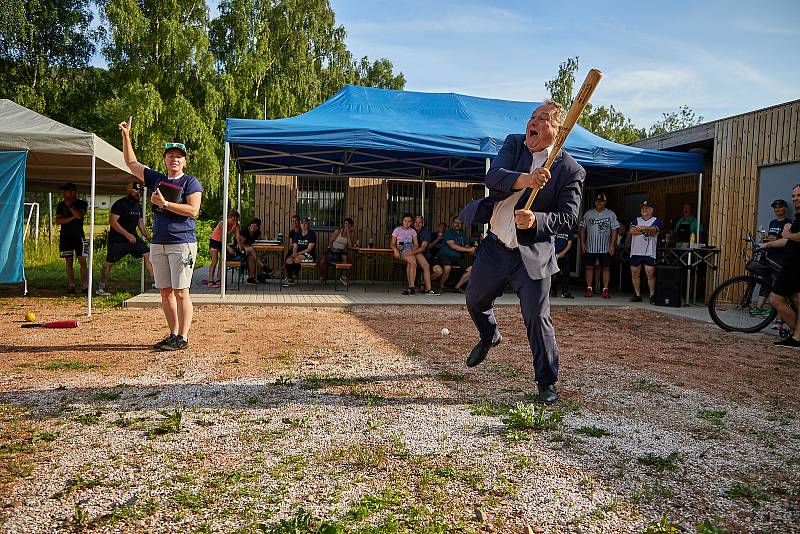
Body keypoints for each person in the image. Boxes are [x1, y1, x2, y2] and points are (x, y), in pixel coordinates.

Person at [459, 100, 584, 404]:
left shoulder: (570, 170)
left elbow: (569, 218)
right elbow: (494, 177)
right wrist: (527, 179)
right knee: (475, 300)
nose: (534, 122)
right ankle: (490, 336)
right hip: (496, 245)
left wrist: (537, 219)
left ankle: (546, 382)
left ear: (558, 131)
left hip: (533, 253)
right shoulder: (514, 144)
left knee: (537, 318)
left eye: (543, 119)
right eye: (533, 117)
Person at [119, 118, 203, 351]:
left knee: (181, 291)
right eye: (170, 155)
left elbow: (193, 210)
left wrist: (165, 204)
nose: (174, 159)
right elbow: (131, 162)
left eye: (178, 156)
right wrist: (126, 136)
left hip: (182, 243)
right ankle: (173, 334)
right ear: (165, 159)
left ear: (184, 161)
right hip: (159, 243)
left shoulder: (190, 182)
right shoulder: (157, 178)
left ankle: (183, 338)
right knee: (165, 291)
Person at [96, 180, 154, 296]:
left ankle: (155, 283)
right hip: (118, 240)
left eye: (139, 191)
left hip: (133, 239)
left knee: (148, 254)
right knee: (108, 263)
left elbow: (140, 223)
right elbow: (112, 221)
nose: (138, 193)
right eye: (135, 190)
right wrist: (127, 234)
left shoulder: (138, 206)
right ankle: (101, 288)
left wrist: (148, 237)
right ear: (129, 190)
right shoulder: (120, 204)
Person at [766, 184, 800, 348]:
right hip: (791, 262)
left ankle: (797, 334)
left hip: (794, 265)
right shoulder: (798, 217)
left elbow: (789, 237)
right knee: (796, 299)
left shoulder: (790, 222)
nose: (795, 199)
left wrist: (788, 233)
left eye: (798, 196)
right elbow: (788, 240)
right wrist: (767, 245)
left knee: (775, 298)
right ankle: (797, 337)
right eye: (793, 196)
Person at [753, 199, 792, 327]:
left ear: (785, 209)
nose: (777, 209)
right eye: (775, 207)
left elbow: (787, 240)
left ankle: (776, 311)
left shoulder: (788, 223)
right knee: (765, 280)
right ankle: (758, 307)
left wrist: (777, 239)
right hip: (769, 254)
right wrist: (766, 240)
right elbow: (771, 236)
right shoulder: (772, 222)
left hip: (780, 257)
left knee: (778, 283)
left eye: (780, 207)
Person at [579, 193, 619, 299]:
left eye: (601, 201)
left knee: (606, 268)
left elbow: (615, 230)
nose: (599, 203)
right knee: (589, 268)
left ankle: (605, 290)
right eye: (597, 201)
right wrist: (582, 243)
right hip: (590, 246)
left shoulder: (610, 214)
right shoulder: (588, 214)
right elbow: (582, 229)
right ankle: (589, 289)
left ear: (605, 202)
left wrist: (612, 245)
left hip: (605, 247)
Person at [55, 182, 89, 294]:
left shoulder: (82, 203)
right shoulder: (60, 205)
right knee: (68, 261)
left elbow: (79, 216)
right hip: (65, 237)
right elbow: (58, 221)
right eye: (64, 191)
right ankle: (71, 285)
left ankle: (85, 286)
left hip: (80, 236)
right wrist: (72, 217)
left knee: (83, 260)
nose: (64, 193)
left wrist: (70, 206)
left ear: (73, 192)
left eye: (66, 191)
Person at [628, 201, 661, 304]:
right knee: (634, 273)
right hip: (636, 251)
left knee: (650, 274)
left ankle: (652, 295)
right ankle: (637, 295)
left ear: (652, 210)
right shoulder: (636, 219)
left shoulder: (656, 220)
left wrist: (642, 228)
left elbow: (654, 231)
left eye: (647, 208)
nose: (644, 210)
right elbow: (632, 231)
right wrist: (647, 230)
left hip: (649, 252)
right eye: (642, 208)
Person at [432, 217, 474, 294]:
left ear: (462, 224)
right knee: (447, 267)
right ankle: (441, 286)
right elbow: (453, 246)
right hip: (445, 255)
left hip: (458, 257)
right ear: (452, 223)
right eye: (455, 222)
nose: (457, 224)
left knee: (471, 269)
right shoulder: (449, 233)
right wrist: (468, 250)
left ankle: (457, 287)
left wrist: (472, 250)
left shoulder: (464, 234)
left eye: (459, 223)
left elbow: (466, 246)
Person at [207, 210, 240, 288]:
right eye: (233, 220)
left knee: (222, 260)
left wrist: (239, 244)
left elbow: (238, 235)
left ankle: (219, 280)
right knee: (215, 260)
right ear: (229, 218)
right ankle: (210, 281)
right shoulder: (222, 223)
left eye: (236, 220)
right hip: (215, 241)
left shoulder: (236, 224)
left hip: (222, 242)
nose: (234, 222)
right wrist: (228, 248)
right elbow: (223, 237)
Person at [391, 213, 422, 295]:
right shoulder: (397, 230)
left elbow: (416, 244)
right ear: (402, 221)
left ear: (411, 222)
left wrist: (412, 251)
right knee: (413, 262)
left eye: (409, 221)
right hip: (401, 247)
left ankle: (410, 287)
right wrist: (395, 250)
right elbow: (392, 243)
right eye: (405, 221)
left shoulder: (413, 231)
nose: (407, 223)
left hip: (410, 247)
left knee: (411, 264)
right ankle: (411, 287)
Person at [319, 217, 354, 283]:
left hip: (340, 251)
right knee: (322, 261)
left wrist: (348, 234)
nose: (347, 226)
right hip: (331, 249)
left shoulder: (351, 234)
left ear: (351, 226)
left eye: (348, 224)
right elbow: (331, 241)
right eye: (345, 224)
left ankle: (343, 276)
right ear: (343, 224)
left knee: (345, 258)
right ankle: (322, 277)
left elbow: (350, 246)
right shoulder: (338, 231)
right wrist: (332, 249)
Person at [283, 218, 316, 285]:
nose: (303, 225)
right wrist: (294, 253)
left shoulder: (312, 234)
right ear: (300, 225)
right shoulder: (297, 234)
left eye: (305, 223)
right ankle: (290, 278)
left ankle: (294, 275)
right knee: (288, 260)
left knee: (297, 259)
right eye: (302, 223)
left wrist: (297, 253)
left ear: (308, 225)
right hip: (298, 254)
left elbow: (309, 249)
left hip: (309, 255)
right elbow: (295, 246)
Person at [412, 215, 435, 293]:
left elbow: (423, 248)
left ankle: (425, 285)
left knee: (437, 270)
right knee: (425, 266)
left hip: (425, 254)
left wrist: (411, 252)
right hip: (412, 253)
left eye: (420, 222)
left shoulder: (426, 232)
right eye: (416, 222)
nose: (417, 224)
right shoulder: (410, 231)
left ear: (423, 223)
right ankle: (428, 288)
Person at [551, 225, 574, 298]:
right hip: (554, 255)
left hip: (565, 255)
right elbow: (550, 242)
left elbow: (569, 244)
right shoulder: (554, 228)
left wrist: (563, 253)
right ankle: (554, 292)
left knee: (566, 274)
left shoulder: (568, 229)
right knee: (554, 275)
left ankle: (564, 292)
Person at [238, 218, 262, 285]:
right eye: (252, 225)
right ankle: (262, 265)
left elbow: (259, 241)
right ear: (249, 225)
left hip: (249, 252)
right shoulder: (244, 231)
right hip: (239, 250)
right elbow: (240, 244)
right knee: (251, 249)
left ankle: (250, 278)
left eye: (255, 226)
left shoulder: (257, 233)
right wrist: (249, 248)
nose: (253, 227)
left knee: (251, 257)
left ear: (258, 228)